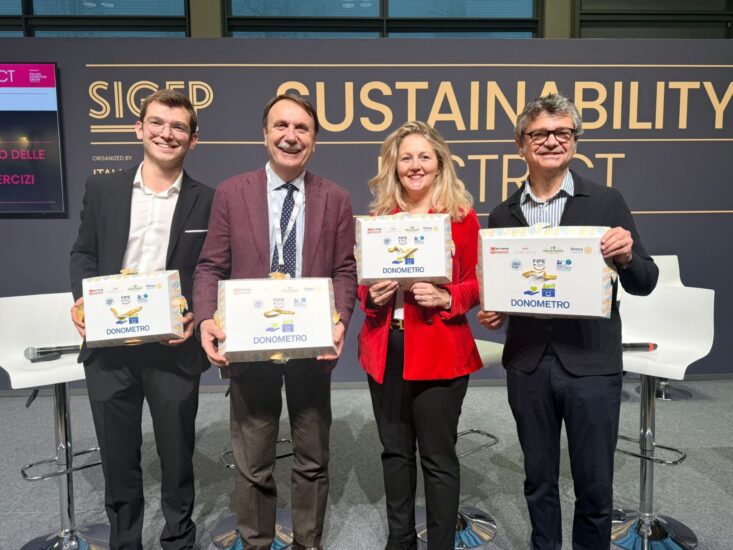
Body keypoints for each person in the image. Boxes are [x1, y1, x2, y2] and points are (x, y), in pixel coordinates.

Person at [478, 93, 659, 550]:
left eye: (563, 132)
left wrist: (627, 256)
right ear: (521, 144)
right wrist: (495, 311)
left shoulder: (606, 202)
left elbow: (645, 281)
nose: (552, 141)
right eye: (540, 133)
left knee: (594, 486)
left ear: (574, 141)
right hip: (527, 364)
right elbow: (505, 294)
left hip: (592, 364)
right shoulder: (502, 215)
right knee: (537, 480)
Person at [193, 93, 357, 550]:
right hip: (250, 344)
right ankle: (256, 542)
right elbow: (210, 265)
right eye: (281, 126)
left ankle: (309, 543)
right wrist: (205, 318)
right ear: (265, 135)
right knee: (253, 462)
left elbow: (345, 270)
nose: (291, 136)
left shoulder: (335, 198)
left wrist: (341, 320)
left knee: (313, 457)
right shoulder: (232, 193)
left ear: (314, 140)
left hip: (311, 344)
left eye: (302, 128)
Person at [69, 89, 213, 549]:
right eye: (157, 123)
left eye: (178, 127)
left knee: (177, 457)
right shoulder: (103, 189)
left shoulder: (208, 200)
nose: (166, 133)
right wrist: (84, 301)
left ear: (193, 139)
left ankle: (179, 539)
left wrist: (197, 313)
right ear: (139, 129)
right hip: (110, 348)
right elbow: (83, 253)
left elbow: (212, 269)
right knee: (118, 460)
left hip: (173, 348)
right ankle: (125, 541)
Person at [358, 121, 483, 550]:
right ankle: (400, 541)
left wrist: (447, 297)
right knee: (395, 452)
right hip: (386, 347)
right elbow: (362, 287)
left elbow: (477, 283)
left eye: (424, 157)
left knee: (437, 456)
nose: (415, 165)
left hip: (440, 349)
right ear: (394, 166)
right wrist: (372, 295)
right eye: (406, 157)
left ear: (439, 163)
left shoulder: (461, 219)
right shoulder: (379, 220)